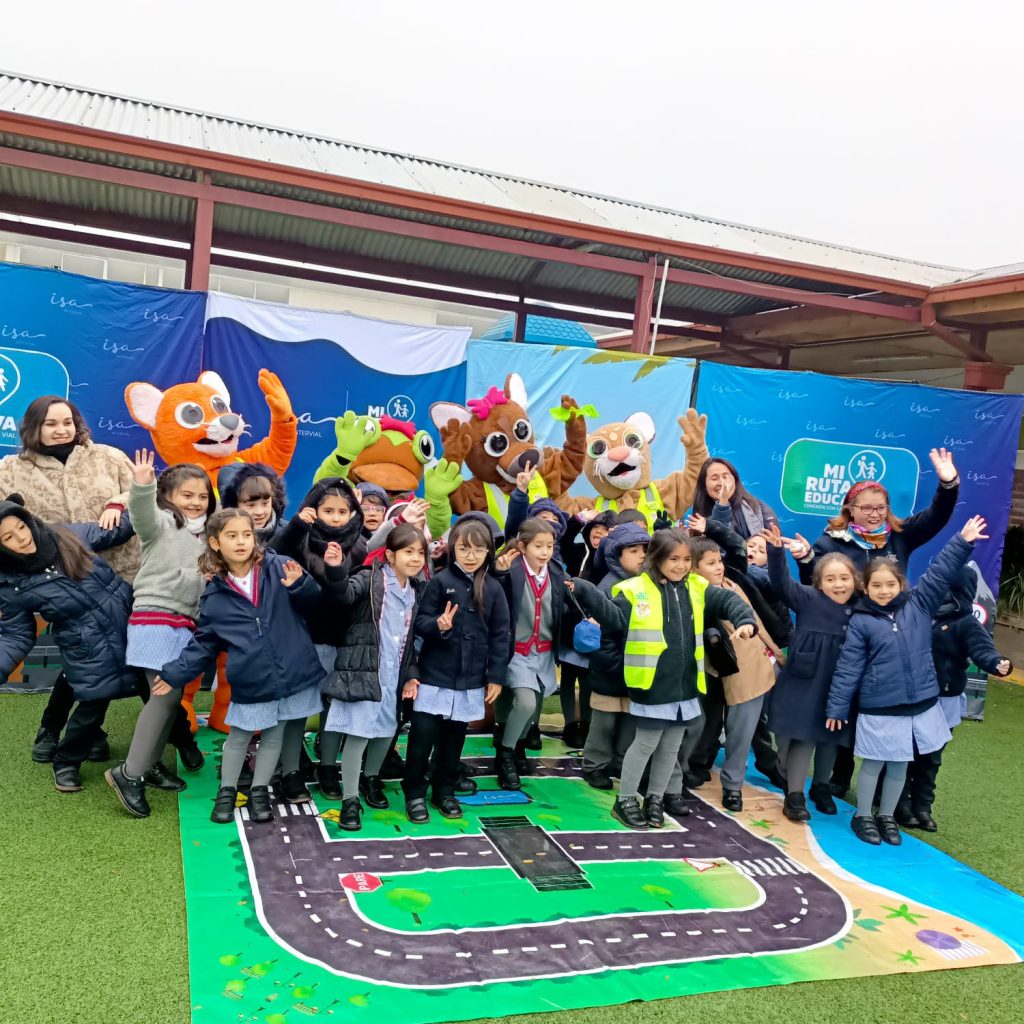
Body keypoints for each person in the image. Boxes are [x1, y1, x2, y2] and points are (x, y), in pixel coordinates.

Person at [792, 445, 961, 796]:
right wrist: (806, 558)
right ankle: (839, 775)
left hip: (891, 640)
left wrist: (948, 485)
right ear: (850, 509)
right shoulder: (831, 542)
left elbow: (937, 517)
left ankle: (888, 789)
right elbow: (815, 581)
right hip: (847, 636)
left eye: (880, 507)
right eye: (866, 508)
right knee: (845, 705)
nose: (874, 514)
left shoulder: (899, 535)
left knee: (888, 711)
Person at [571, 528, 754, 830]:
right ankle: (625, 800)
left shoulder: (697, 586)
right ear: (656, 558)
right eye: (674, 559)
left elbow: (728, 601)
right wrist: (585, 590)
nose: (681, 566)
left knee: (671, 747)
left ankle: (654, 799)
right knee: (645, 744)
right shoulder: (634, 589)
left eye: (686, 559)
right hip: (652, 686)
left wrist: (744, 620)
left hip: (685, 687)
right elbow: (613, 619)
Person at [826, 515, 989, 847]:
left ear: (901, 584)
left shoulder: (920, 605)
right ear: (865, 588)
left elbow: (941, 571)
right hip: (879, 707)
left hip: (919, 706)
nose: (884, 591)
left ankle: (887, 815)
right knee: (873, 765)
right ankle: (863, 816)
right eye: (876, 586)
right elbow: (848, 668)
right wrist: (837, 708)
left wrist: (963, 540)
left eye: (891, 584)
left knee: (900, 765)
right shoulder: (861, 621)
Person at [155, 510, 325, 825]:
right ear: (215, 543)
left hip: (291, 669)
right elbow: (205, 642)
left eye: (246, 534)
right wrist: (175, 673)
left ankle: (260, 791)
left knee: (274, 734)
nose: (241, 542)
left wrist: (300, 585)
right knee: (239, 736)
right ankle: (227, 792)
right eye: (231, 536)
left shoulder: (279, 567)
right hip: (252, 678)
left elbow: (315, 603)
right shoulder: (215, 594)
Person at [1, 396, 140, 765]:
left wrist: (118, 501)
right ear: (33, 427)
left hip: (117, 572)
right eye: (51, 423)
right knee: (82, 656)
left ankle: (80, 733)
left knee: (107, 653)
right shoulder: (9, 471)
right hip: (57, 583)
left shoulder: (108, 457)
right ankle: (61, 731)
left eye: (68, 422)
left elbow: (144, 492)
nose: (61, 429)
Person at [0, 495, 139, 792]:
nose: (21, 538)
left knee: (155, 690)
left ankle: (180, 747)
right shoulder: (12, 585)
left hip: (129, 627)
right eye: (8, 537)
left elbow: (123, 527)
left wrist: (138, 499)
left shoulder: (67, 535)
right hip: (85, 645)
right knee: (94, 699)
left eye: (21, 527)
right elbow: (16, 634)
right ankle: (65, 760)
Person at [105, 451, 215, 818]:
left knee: (171, 696)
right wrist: (142, 486)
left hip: (185, 623)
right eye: (187, 495)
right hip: (155, 618)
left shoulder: (209, 534)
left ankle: (148, 765)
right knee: (164, 696)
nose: (196, 502)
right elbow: (141, 515)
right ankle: (129, 774)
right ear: (168, 496)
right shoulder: (162, 523)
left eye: (202, 496)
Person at [403, 517, 509, 823]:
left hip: (470, 679)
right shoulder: (440, 582)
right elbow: (420, 623)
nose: (471, 555)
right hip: (434, 676)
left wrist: (496, 676)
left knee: (454, 740)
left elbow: (501, 635)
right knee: (422, 737)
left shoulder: (493, 588)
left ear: (488, 552)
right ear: (453, 549)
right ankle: (414, 793)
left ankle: (444, 791)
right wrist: (439, 625)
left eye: (478, 549)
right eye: (464, 548)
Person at [320, 524, 426, 831]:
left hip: (394, 676)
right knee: (358, 734)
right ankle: (350, 800)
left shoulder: (415, 591)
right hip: (364, 670)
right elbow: (343, 594)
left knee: (386, 732)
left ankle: (371, 778)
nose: (415, 558)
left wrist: (411, 675)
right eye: (408, 552)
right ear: (390, 555)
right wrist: (336, 569)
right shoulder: (370, 579)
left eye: (420, 553)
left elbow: (409, 642)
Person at [895, 565, 1011, 832]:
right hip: (911, 696)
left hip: (944, 700)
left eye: (947, 588)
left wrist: (997, 663)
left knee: (931, 757)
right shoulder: (917, 613)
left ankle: (923, 806)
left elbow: (982, 649)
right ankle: (899, 801)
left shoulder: (966, 623)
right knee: (904, 751)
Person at [760, 525, 859, 821]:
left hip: (839, 684)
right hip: (805, 682)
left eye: (844, 578)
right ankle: (794, 795)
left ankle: (821, 787)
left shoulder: (861, 608)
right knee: (803, 737)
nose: (838, 585)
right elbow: (781, 583)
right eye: (830, 579)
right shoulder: (807, 599)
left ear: (855, 581)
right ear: (818, 583)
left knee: (831, 736)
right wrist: (776, 551)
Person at [687, 534, 782, 812]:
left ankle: (732, 788)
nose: (719, 567)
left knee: (741, 734)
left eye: (720, 561)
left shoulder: (733, 585)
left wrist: (776, 654)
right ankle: (692, 768)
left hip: (747, 672)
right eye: (711, 563)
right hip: (710, 673)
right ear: (694, 569)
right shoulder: (690, 593)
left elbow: (755, 621)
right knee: (702, 727)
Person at [493, 519, 567, 789]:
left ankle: (516, 746)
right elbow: (493, 593)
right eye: (538, 546)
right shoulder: (510, 569)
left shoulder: (556, 572)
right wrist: (499, 572)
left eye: (550, 546)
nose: (545, 552)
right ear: (523, 546)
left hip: (543, 651)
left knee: (533, 709)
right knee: (524, 703)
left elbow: (562, 606)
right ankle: (505, 754)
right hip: (516, 650)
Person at [577, 522, 649, 791]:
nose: (641, 556)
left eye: (644, 550)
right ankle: (594, 766)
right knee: (604, 724)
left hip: (635, 670)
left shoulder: (645, 586)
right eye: (633, 550)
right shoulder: (607, 588)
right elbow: (600, 636)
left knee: (630, 723)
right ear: (616, 555)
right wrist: (614, 664)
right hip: (609, 671)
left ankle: (620, 763)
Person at [692, 457, 778, 540]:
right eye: (714, 478)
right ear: (704, 486)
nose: (721, 483)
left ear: (735, 481)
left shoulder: (759, 508)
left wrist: (775, 546)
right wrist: (723, 503)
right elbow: (719, 542)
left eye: (725, 477)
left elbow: (775, 546)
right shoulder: (700, 515)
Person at [220, 463, 288, 546]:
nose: (259, 512)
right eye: (251, 505)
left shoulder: (290, 534)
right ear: (235, 505)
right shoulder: (220, 537)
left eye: (265, 503)